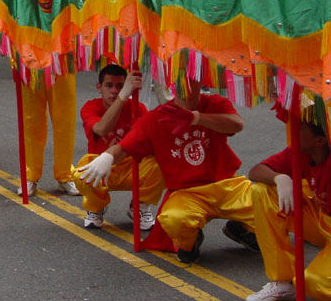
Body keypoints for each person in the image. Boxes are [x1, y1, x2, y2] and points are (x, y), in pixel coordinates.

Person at [79, 78, 258, 263]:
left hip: (227, 185)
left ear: (201, 82)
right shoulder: (157, 117)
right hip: (187, 194)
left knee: (270, 207)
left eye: (191, 80)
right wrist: (107, 157)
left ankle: (241, 230)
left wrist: (197, 118)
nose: (185, 86)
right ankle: (189, 241)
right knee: (174, 220)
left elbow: (236, 124)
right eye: (180, 79)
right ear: (171, 83)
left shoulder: (214, 103)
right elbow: (125, 147)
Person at [244, 120, 331, 301]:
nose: (292, 130)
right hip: (322, 222)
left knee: (313, 283)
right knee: (263, 191)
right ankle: (282, 283)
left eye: (300, 129)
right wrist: (280, 177)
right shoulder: (302, 152)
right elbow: (256, 171)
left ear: (320, 141)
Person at [74, 65, 165, 229]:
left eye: (120, 86)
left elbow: (150, 143)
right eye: (109, 85)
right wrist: (123, 96)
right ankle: (96, 207)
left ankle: (140, 205)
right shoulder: (90, 107)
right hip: (102, 168)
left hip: (132, 167)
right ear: (99, 88)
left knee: (161, 163)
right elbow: (102, 129)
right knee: (81, 174)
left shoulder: (138, 108)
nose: (114, 91)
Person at [17, 71, 81, 198]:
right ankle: (30, 176)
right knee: (31, 121)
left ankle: (64, 174)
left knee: (64, 120)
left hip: (60, 64)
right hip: (30, 63)